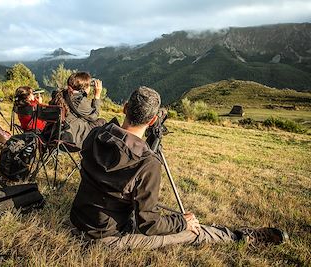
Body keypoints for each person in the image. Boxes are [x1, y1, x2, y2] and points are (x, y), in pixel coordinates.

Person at [70, 86, 288, 249]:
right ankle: (241, 237)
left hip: (79, 219)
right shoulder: (147, 163)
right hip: (107, 237)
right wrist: (181, 222)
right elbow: (149, 225)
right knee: (193, 232)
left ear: (125, 108)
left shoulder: (97, 133)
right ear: (154, 119)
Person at [50, 72, 106, 148]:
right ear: (84, 88)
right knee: (102, 122)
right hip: (71, 139)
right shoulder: (80, 102)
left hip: (53, 135)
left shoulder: (60, 94)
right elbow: (93, 116)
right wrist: (97, 95)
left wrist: (84, 94)